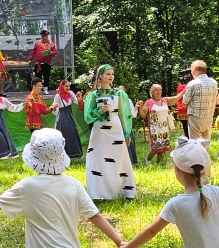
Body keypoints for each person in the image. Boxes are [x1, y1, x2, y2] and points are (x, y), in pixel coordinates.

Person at [84, 65, 136, 200]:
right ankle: (99, 193)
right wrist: (99, 111)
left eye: (112, 74)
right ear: (100, 76)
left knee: (118, 158)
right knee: (99, 159)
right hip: (99, 132)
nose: (111, 76)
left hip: (115, 128)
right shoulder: (93, 95)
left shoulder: (119, 94)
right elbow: (87, 116)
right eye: (108, 74)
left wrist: (126, 133)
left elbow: (125, 115)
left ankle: (122, 191)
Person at [138, 84, 175, 165]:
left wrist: (185, 90)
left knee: (163, 147)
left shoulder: (164, 100)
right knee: (156, 147)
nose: (159, 92)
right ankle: (147, 159)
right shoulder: (148, 102)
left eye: (160, 90)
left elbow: (176, 98)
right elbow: (143, 115)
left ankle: (159, 163)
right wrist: (140, 107)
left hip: (164, 127)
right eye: (156, 90)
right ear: (152, 92)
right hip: (154, 128)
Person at [181, 61, 218, 142]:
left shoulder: (192, 84)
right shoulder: (214, 83)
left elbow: (184, 103)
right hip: (209, 117)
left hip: (195, 118)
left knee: (195, 144)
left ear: (195, 70)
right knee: (206, 143)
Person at [48, 79, 83, 159]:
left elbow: (76, 102)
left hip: (69, 115)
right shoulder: (58, 96)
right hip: (62, 117)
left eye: (69, 86)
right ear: (62, 86)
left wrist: (79, 98)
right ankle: (62, 155)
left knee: (72, 133)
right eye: (66, 86)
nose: (68, 88)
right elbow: (55, 110)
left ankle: (74, 154)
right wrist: (53, 108)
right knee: (64, 134)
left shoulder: (70, 93)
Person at [175, 68, 192, 138]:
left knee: (188, 130)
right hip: (185, 109)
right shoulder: (183, 86)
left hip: (184, 109)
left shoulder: (181, 85)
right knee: (188, 130)